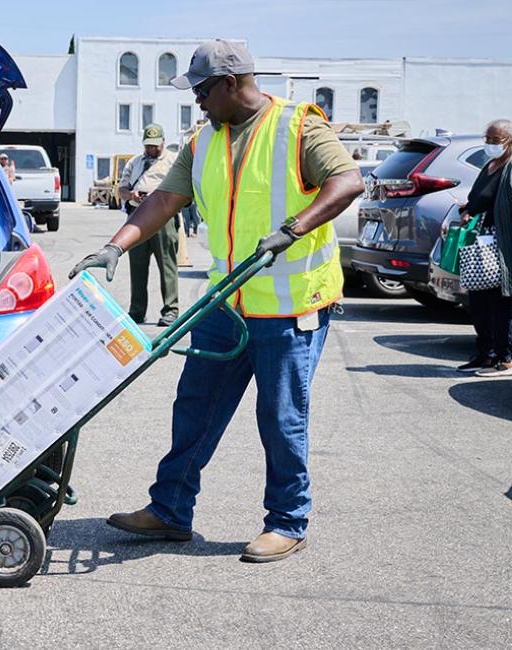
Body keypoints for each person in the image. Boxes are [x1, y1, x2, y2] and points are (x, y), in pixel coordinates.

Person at [70, 40, 363, 563]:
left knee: (280, 416)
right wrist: (114, 246)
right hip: (227, 302)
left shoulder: (299, 126)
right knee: (195, 407)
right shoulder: (204, 140)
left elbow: (347, 180)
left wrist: (293, 229)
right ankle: (170, 510)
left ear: (232, 83)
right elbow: (165, 199)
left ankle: (288, 520)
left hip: (289, 305)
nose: (198, 100)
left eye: (203, 90)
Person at [456, 119, 512, 377]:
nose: (490, 144)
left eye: (495, 140)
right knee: (479, 301)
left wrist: (488, 215)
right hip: (482, 243)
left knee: (499, 302)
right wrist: (468, 210)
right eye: (487, 139)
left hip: (503, 245)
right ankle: (485, 355)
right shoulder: (489, 165)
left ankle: (504, 359)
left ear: (510, 141)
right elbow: (477, 199)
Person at [118, 123, 180, 326]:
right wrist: (132, 195)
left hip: (163, 216)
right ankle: (137, 310)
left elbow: (183, 189)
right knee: (136, 265)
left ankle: (170, 310)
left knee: (167, 264)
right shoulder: (135, 162)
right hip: (137, 215)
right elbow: (122, 190)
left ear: (163, 142)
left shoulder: (173, 160)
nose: (151, 149)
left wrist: (159, 197)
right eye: (148, 146)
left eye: (155, 145)